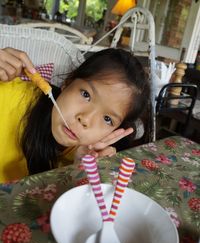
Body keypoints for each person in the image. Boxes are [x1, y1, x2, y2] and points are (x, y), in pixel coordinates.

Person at [0, 47, 150, 183]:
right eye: (86, 94)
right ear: (67, 83)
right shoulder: (11, 95)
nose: (85, 119)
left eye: (107, 119)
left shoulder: (93, 158)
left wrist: (81, 173)